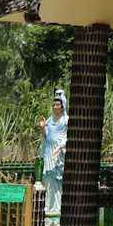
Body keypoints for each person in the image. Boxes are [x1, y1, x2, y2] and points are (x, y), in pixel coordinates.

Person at [38, 90, 68, 218]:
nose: (55, 107)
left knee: (57, 180)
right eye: (54, 105)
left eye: (57, 104)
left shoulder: (66, 120)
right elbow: (47, 136)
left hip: (59, 154)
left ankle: (57, 209)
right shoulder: (49, 120)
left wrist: (61, 146)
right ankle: (49, 208)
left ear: (62, 106)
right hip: (49, 152)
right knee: (48, 179)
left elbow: (69, 137)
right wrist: (43, 128)